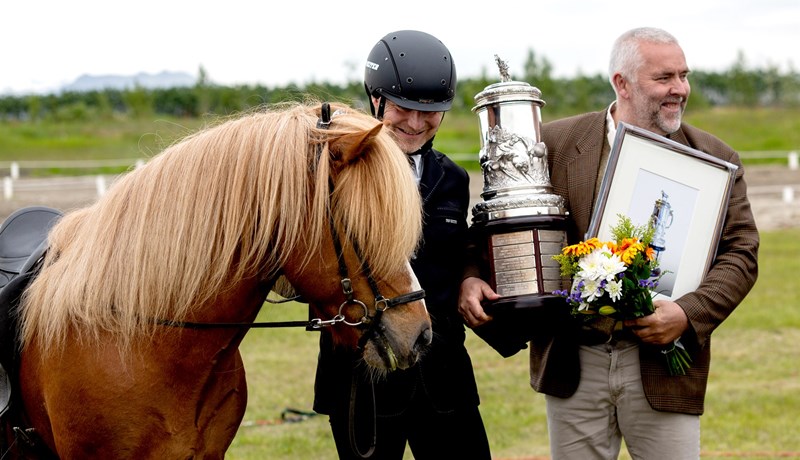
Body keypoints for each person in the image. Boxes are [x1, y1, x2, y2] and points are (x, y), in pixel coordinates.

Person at [459, 27, 759, 459]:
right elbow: (492, 224)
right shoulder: (553, 143)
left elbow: (742, 254)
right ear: (622, 82)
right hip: (573, 363)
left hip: (663, 366)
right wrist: (471, 278)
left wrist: (686, 314)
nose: (680, 89)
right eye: (664, 78)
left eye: (684, 75)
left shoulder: (716, 160)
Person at [313, 30, 491, 459]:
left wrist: (470, 277)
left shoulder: (452, 179)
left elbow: (460, 249)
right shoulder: (335, 172)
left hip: (444, 376)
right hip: (363, 378)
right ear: (376, 100)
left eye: (431, 112)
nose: (416, 123)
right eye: (403, 108)